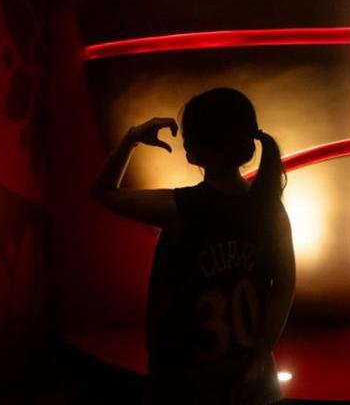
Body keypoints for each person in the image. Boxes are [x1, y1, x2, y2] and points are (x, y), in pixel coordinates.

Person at [90, 87, 295, 404]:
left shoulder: (181, 208)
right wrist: (259, 356)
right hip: (253, 374)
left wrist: (131, 138)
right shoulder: (270, 208)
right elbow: (283, 287)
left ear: (196, 147)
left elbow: (103, 192)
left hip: (188, 375)